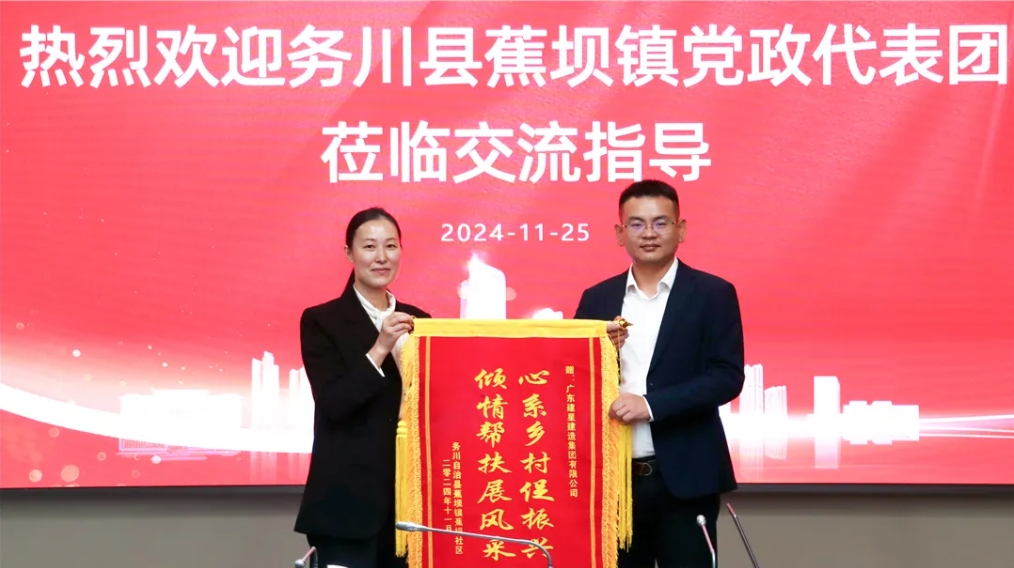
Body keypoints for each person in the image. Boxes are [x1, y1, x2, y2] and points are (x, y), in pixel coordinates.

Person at [574, 179, 745, 568]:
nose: (648, 233)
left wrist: (651, 405)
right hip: (614, 482)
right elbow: (575, 379)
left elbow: (726, 376)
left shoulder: (713, 294)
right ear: (620, 233)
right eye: (636, 224)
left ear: (680, 229)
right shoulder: (597, 298)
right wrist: (600, 353)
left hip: (686, 478)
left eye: (660, 223)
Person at [294, 207, 430, 568]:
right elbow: (334, 403)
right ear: (349, 253)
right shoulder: (322, 321)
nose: (381, 257)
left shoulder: (420, 321)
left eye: (391, 246)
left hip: (410, 507)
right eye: (369, 246)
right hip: (346, 507)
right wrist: (380, 347)